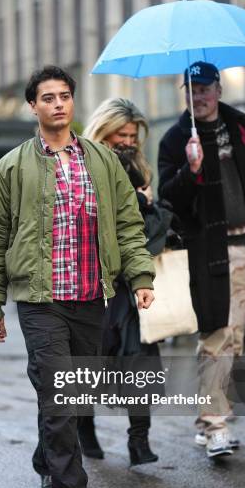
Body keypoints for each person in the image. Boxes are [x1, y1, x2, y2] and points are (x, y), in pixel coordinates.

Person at [0, 66, 155, 488]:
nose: (58, 104)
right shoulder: (10, 168)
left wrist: (139, 276)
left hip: (91, 298)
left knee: (72, 397)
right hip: (40, 299)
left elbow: (128, 223)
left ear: (73, 104)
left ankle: (45, 460)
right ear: (33, 106)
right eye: (48, 97)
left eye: (65, 96)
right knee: (60, 395)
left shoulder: (102, 161)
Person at [158, 61, 245, 459]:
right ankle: (214, 425)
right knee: (217, 336)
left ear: (217, 90)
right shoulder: (176, 138)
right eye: (190, 89)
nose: (197, 96)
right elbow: (169, 198)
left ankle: (213, 415)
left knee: (232, 337)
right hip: (208, 253)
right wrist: (191, 169)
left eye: (204, 88)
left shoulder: (243, 126)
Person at [82, 97, 162, 465]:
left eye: (133, 135)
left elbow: (144, 228)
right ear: (103, 131)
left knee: (139, 358)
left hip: (129, 283)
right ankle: (85, 433)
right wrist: (138, 202)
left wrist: (148, 204)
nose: (128, 141)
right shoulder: (83, 164)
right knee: (88, 360)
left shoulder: (139, 169)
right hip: (91, 282)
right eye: (120, 135)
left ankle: (139, 440)